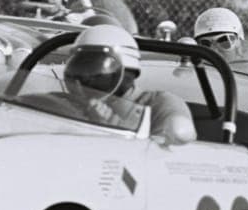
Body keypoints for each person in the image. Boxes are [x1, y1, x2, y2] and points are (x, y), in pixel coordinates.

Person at [62, 24, 197, 145]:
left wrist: (111, 123)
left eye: (94, 70)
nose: (83, 79)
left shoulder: (161, 103)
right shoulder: (67, 102)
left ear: (129, 72)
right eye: (78, 69)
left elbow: (177, 139)